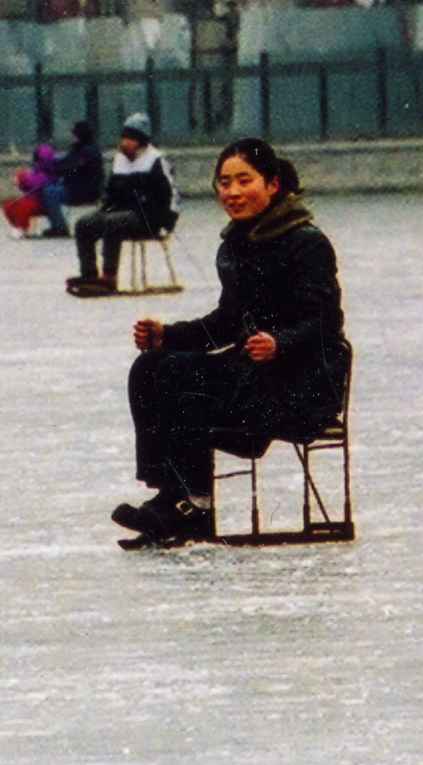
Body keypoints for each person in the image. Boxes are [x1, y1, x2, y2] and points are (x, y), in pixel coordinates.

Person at [115, 137, 349, 546]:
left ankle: (193, 501)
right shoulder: (237, 245)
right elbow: (225, 323)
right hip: (252, 375)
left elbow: (325, 321)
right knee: (152, 365)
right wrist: (166, 335)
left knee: (181, 376)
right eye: (225, 183)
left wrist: (280, 343)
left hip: (300, 383)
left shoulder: (305, 242)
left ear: (272, 184)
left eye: (245, 181)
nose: (233, 192)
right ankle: (173, 495)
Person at [68, 113, 177, 295]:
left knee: (114, 223)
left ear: (141, 141)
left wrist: (168, 221)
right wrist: (104, 207)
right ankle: (89, 274)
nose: (126, 142)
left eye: (131, 139)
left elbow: (171, 194)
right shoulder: (119, 160)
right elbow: (110, 191)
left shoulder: (155, 160)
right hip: (117, 211)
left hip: (147, 217)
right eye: (125, 138)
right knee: (84, 223)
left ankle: (109, 277)